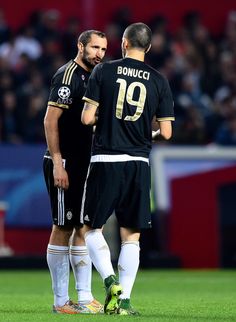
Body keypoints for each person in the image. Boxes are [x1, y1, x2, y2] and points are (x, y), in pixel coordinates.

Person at [80, 22, 175, 315]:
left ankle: (110, 281)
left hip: (106, 160)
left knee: (89, 228)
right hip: (138, 164)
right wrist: (149, 135)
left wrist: (106, 122)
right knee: (131, 235)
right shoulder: (159, 81)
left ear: (123, 43)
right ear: (148, 47)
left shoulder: (104, 71)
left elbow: (86, 119)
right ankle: (124, 302)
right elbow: (167, 133)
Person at [43, 30, 107, 314]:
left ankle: (83, 297)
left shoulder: (93, 78)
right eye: (94, 47)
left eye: (104, 49)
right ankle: (60, 301)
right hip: (65, 163)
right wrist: (58, 162)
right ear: (80, 46)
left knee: (83, 227)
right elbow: (50, 119)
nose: (99, 54)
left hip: (85, 163)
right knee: (62, 227)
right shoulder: (67, 76)